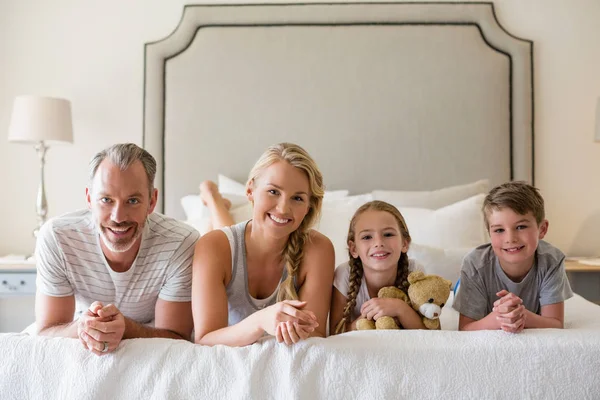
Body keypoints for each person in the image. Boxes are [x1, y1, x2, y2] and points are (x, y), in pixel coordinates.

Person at [34, 143, 199, 355]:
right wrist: (83, 327)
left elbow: (178, 338)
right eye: (106, 200)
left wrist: (127, 329)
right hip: (81, 329)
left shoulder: (181, 243)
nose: (118, 217)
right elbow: (46, 331)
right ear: (89, 198)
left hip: (150, 341)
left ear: (152, 201)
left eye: (132, 200)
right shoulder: (57, 238)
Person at [191, 143, 335, 346]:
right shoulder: (212, 246)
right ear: (250, 191)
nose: (283, 209)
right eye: (273, 192)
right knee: (222, 236)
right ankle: (213, 198)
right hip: (226, 245)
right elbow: (205, 340)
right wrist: (260, 321)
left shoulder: (318, 249)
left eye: (297, 198)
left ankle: (217, 203)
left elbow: (315, 335)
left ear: (309, 206)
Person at [453, 181, 573, 332]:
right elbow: (465, 328)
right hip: (474, 279)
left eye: (521, 227)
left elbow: (556, 324)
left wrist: (522, 315)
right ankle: (459, 286)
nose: (510, 238)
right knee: (460, 290)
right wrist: (497, 317)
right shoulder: (474, 264)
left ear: (542, 229)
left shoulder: (551, 261)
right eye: (499, 230)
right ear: (489, 233)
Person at [330, 200, 427, 334]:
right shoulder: (345, 274)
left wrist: (400, 308)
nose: (379, 243)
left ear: (405, 243)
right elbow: (335, 333)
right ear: (353, 248)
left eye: (388, 234)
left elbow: (432, 333)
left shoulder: (414, 272)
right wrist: (369, 316)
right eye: (367, 237)